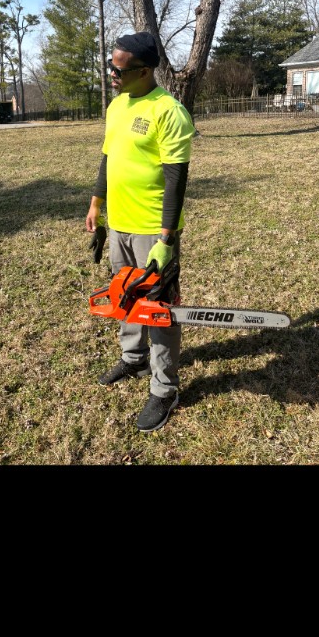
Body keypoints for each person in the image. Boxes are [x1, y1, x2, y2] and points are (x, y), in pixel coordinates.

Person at [86, 31, 195, 433]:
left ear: (145, 70)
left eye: (118, 69)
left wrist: (166, 240)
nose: (111, 74)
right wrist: (97, 206)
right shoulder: (117, 106)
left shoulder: (169, 111)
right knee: (124, 296)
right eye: (109, 66)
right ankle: (133, 357)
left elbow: (175, 179)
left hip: (153, 228)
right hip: (119, 224)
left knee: (159, 310)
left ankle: (164, 388)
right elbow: (108, 156)